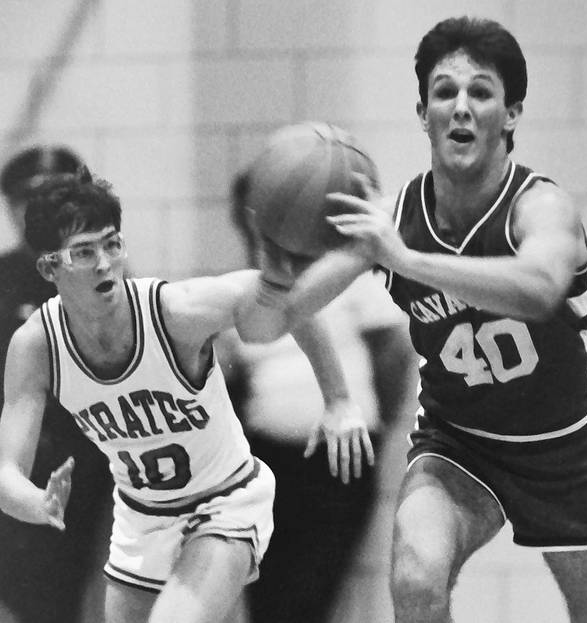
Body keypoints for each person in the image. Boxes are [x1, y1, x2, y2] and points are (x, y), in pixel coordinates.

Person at [260, 16, 587, 623]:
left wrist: (407, 261)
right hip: (457, 444)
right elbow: (282, 312)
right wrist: (280, 262)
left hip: (561, 448)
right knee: (415, 581)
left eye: (480, 92)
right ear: (423, 113)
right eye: (445, 92)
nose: (461, 106)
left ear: (510, 115)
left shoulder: (541, 207)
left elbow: (539, 289)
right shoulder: (392, 220)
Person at [0, 168, 372, 623]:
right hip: (143, 517)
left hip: (224, 500)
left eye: (112, 244)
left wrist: (338, 399)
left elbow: (283, 299)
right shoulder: (36, 346)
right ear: (48, 268)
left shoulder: (173, 312)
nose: (104, 263)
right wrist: (35, 502)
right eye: (84, 251)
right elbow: (6, 471)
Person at [219, 173, 415, 623]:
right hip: (266, 459)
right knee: (267, 600)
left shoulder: (345, 274)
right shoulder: (242, 289)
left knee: (309, 596)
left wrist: (371, 420)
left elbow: (394, 352)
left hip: (338, 459)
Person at [0, 145, 113, 623]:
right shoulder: (3, 280)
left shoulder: (103, 277)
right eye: (24, 201)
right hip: (21, 454)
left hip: (94, 461)